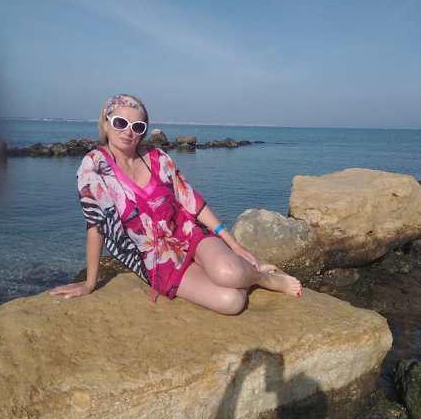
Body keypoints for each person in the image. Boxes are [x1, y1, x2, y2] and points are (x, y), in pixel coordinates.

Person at [50, 94, 302, 314]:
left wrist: (233, 244)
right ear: (106, 123)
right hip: (158, 258)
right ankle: (247, 274)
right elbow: (96, 225)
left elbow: (190, 199)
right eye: (120, 122)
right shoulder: (94, 166)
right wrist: (90, 283)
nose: (128, 131)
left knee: (230, 273)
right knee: (232, 301)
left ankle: (263, 278)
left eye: (137, 126)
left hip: (189, 232)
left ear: (143, 131)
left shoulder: (157, 157)